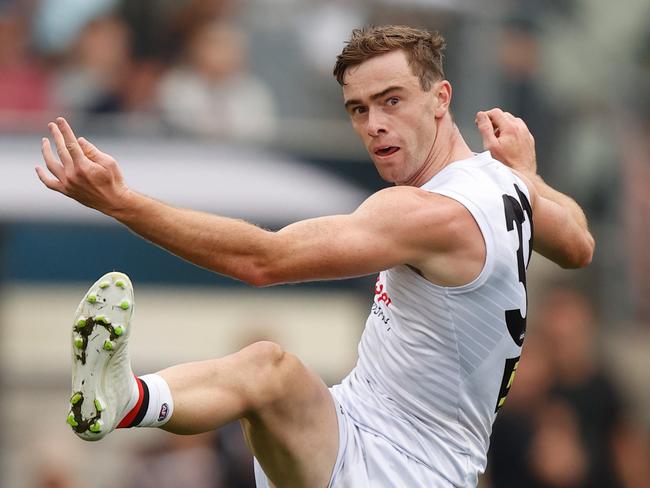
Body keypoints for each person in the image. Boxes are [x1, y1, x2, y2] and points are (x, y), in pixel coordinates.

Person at [35, 26, 594, 487]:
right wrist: (527, 175)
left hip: (406, 471)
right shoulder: (503, 181)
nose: (374, 125)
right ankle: (125, 399)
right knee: (267, 369)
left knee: (268, 372)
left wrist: (121, 203)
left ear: (440, 98)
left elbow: (265, 260)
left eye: (391, 100)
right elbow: (577, 245)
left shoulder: (427, 214)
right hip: (354, 422)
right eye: (358, 109)